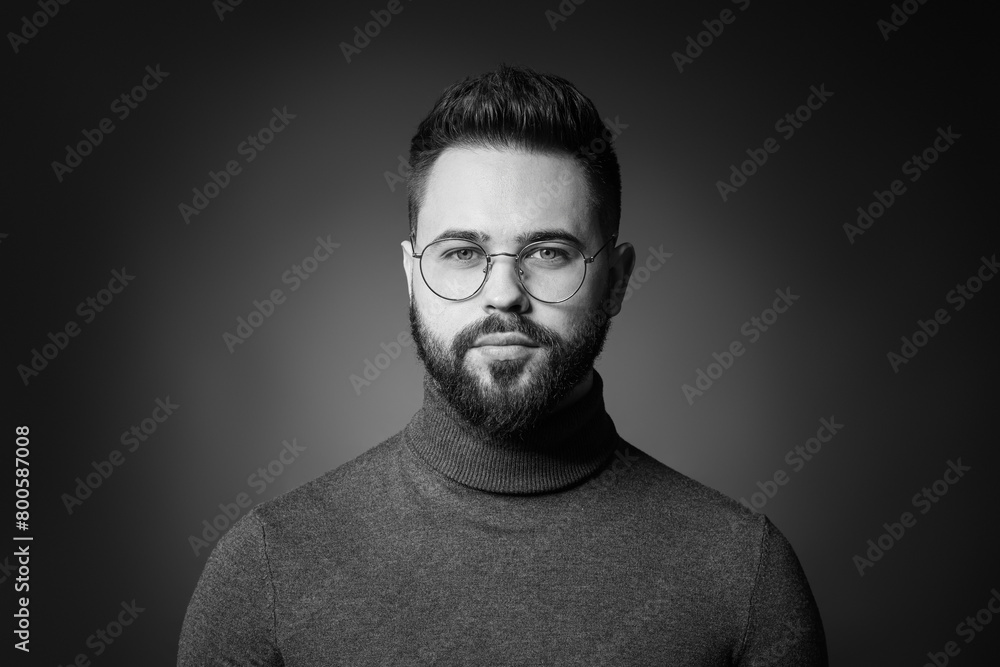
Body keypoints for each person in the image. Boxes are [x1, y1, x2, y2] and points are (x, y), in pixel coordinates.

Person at [178, 64, 828, 665]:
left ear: (618, 280)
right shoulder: (266, 566)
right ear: (410, 275)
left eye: (548, 251)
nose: (503, 293)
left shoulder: (743, 573)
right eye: (461, 251)